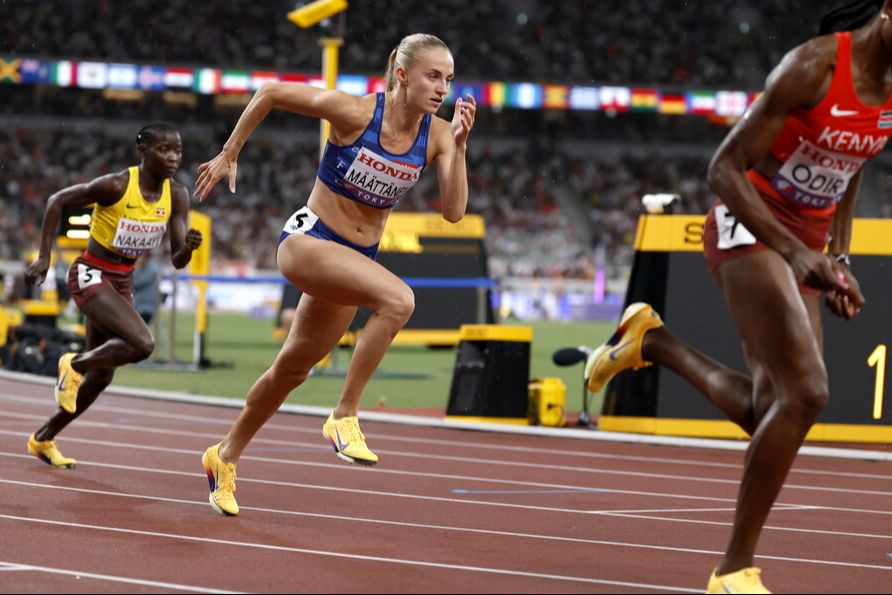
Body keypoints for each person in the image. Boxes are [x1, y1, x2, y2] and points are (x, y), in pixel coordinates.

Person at [584, 2, 892, 593]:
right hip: (746, 224)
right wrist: (797, 252)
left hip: (806, 243)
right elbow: (723, 170)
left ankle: (652, 342)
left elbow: (852, 166)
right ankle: (732, 570)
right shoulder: (813, 68)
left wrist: (840, 258)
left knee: (768, 410)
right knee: (808, 393)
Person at [194, 33, 475, 516]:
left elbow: (453, 213)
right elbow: (270, 92)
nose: (442, 89)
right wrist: (230, 152)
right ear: (402, 75)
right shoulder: (356, 113)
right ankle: (345, 415)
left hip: (352, 259)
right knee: (399, 301)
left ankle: (224, 455)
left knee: (292, 370)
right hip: (309, 241)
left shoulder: (440, 135)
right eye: (433, 76)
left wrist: (460, 147)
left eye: (448, 79)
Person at [24, 122, 202, 469]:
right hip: (91, 273)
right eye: (164, 149)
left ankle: (43, 438)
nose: (173, 157)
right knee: (143, 344)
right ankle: (73, 364)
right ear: (142, 151)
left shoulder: (177, 195)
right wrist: (45, 257)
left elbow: (177, 260)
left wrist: (189, 248)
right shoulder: (117, 185)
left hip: (122, 280)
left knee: (103, 375)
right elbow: (56, 201)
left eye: (178, 150)